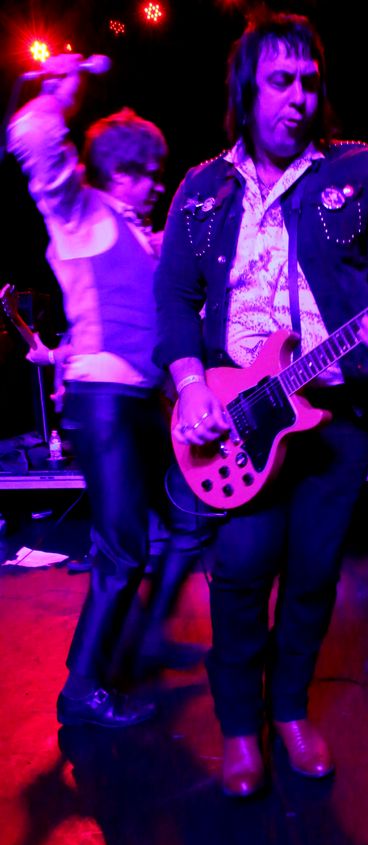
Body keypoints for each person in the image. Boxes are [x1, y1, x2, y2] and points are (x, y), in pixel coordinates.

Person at [154, 11, 368, 795]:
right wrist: (190, 386)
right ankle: (239, 728)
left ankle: (289, 712)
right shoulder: (203, 190)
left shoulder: (363, 172)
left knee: (314, 574)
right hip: (241, 414)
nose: (299, 98)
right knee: (243, 569)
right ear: (246, 91)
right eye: (281, 81)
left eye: (310, 82)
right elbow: (174, 298)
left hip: (335, 414)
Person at [9, 53, 207, 728]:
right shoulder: (82, 214)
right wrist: (57, 95)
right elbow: (33, 141)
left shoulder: (140, 236)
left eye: (156, 171)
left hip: (144, 404)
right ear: (114, 171)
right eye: (141, 172)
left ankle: (146, 638)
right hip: (106, 404)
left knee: (191, 516)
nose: (155, 183)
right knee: (122, 549)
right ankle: (82, 690)